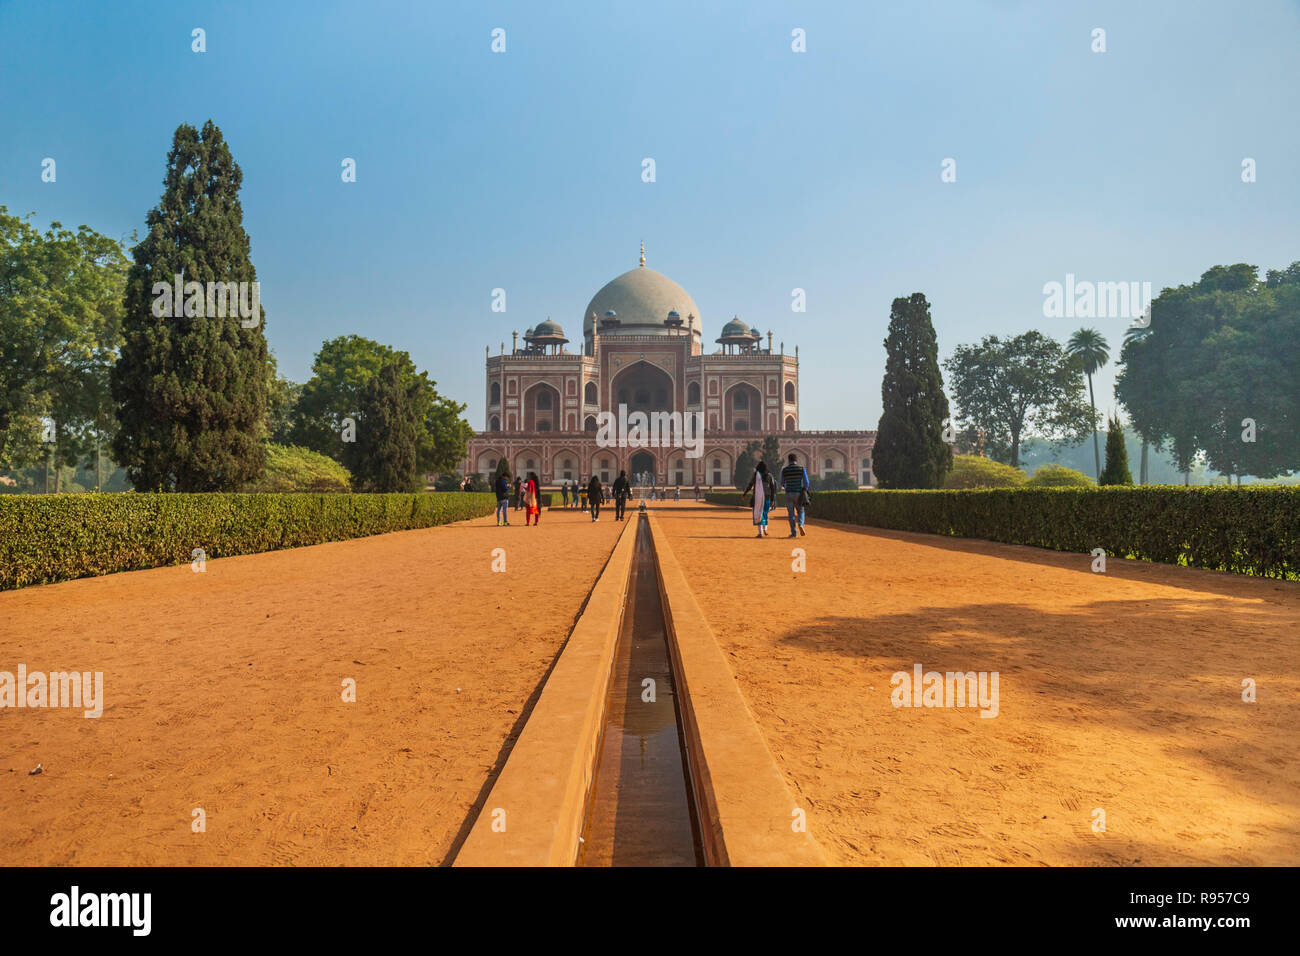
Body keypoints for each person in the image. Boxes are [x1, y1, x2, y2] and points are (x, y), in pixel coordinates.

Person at [780, 453, 812, 537]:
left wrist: (786, 486)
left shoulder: (785, 470)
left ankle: (793, 533)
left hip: (789, 493)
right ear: (796, 460)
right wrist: (804, 489)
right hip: (799, 493)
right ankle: (801, 524)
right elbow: (806, 482)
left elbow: (782, 483)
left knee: (791, 514)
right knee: (801, 511)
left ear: (788, 460)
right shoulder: (801, 469)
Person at [741, 460, 776, 537]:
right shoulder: (770, 476)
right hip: (767, 497)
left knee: (758, 513)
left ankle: (760, 533)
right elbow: (773, 488)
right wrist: (772, 500)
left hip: (757, 498)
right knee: (765, 513)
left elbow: (750, 485)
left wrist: (745, 493)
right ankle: (765, 529)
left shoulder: (756, 475)